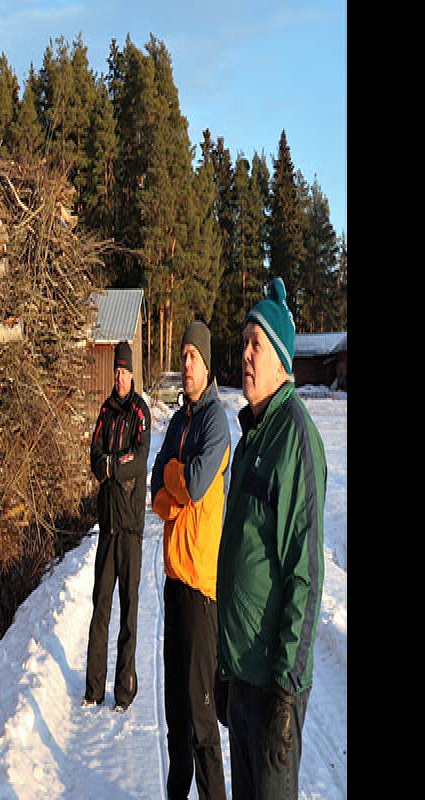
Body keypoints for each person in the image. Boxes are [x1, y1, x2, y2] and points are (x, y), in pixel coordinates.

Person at [215, 277, 327, 800]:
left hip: (273, 687)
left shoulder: (295, 440)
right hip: (242, 676)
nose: (245, 354)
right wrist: (224, 662)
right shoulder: (251, 437)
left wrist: (286, 692)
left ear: (282, 359)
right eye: (242, 343)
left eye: (256, 344)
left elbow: (304, 576)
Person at [150, 320, 231, 800]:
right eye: (182, 356)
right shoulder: (180, 421)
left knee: (202, 721)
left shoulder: (214, 422)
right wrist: (171, 490)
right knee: (175, 717)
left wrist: (173, 483)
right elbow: (154, 484)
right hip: (173, 581)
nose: (186, 365)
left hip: (201, 587)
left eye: (193, 357)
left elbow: (196, 483)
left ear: (206, 363)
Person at [83, 340, 151, 712]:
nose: (120, 377)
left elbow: (138, 460)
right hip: (107, 526)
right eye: (116, 370)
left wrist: (112, 466)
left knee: (128, 612)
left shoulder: (140, 412)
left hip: (131, 530)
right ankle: (94, 690)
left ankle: (124, 692)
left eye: (124, 371)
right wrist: (109, 465)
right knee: (100, 611)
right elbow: (95, 457)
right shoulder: (105, 412)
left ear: (132, 373)